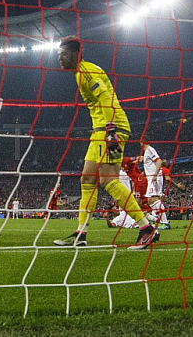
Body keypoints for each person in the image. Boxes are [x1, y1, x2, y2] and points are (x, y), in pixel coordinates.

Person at [52, 37, 157, 250]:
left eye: (63, 55)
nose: (60, 59)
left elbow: (106, 98)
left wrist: (111, 132)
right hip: (101, 128)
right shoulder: (80, 73)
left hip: (110, 127)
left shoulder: (86, 71)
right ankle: (81, 232)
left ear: (75, 54)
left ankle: (146, 228)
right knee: (88, 179)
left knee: (109, 180)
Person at [140, 137, 164, 223]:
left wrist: (155, 174)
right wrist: (144, 172)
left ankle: (164, 222)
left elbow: (159, 161)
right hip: (151, 177)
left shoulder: (150, 150)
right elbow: (151, 165)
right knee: (150, 200)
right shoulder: (146, 152)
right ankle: (157, 219)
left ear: (142, 143)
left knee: (154, 199)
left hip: (154, 177)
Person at [154, 165, 185, 229]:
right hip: (158, 193)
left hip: (152, 191)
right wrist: (177, 185)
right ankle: (163, 223)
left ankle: (159, 222)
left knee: (154, 207)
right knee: (165, 206)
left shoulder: (154, 169)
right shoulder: (164, 169)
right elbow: (168, 178)